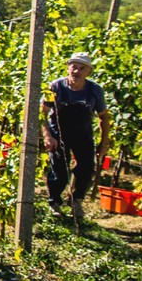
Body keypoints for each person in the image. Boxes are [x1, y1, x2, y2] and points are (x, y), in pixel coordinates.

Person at [43, 52, 111, 222]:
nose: (77, 71)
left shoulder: (95, 90)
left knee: (87, 169)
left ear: (88, 72)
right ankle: (55, 203)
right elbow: (41, 114)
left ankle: (77, 201)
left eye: (82, 68)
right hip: (59, 134)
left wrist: (104, 142)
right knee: (59, 172)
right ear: (68, 67)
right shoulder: (55, 87)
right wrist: (48, 136)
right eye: (74, 66)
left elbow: (103, 117)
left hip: (83, 134)